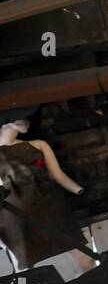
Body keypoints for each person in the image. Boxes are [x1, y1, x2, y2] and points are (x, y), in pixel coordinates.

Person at [0, 106, 92, 273]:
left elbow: (57, 174)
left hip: (52, 206)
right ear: (7, 120)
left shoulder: (38, 145)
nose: (28, 122)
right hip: (17, 215)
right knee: (24, 267)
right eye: (22, 117)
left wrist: (78, 190)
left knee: (85, 257)